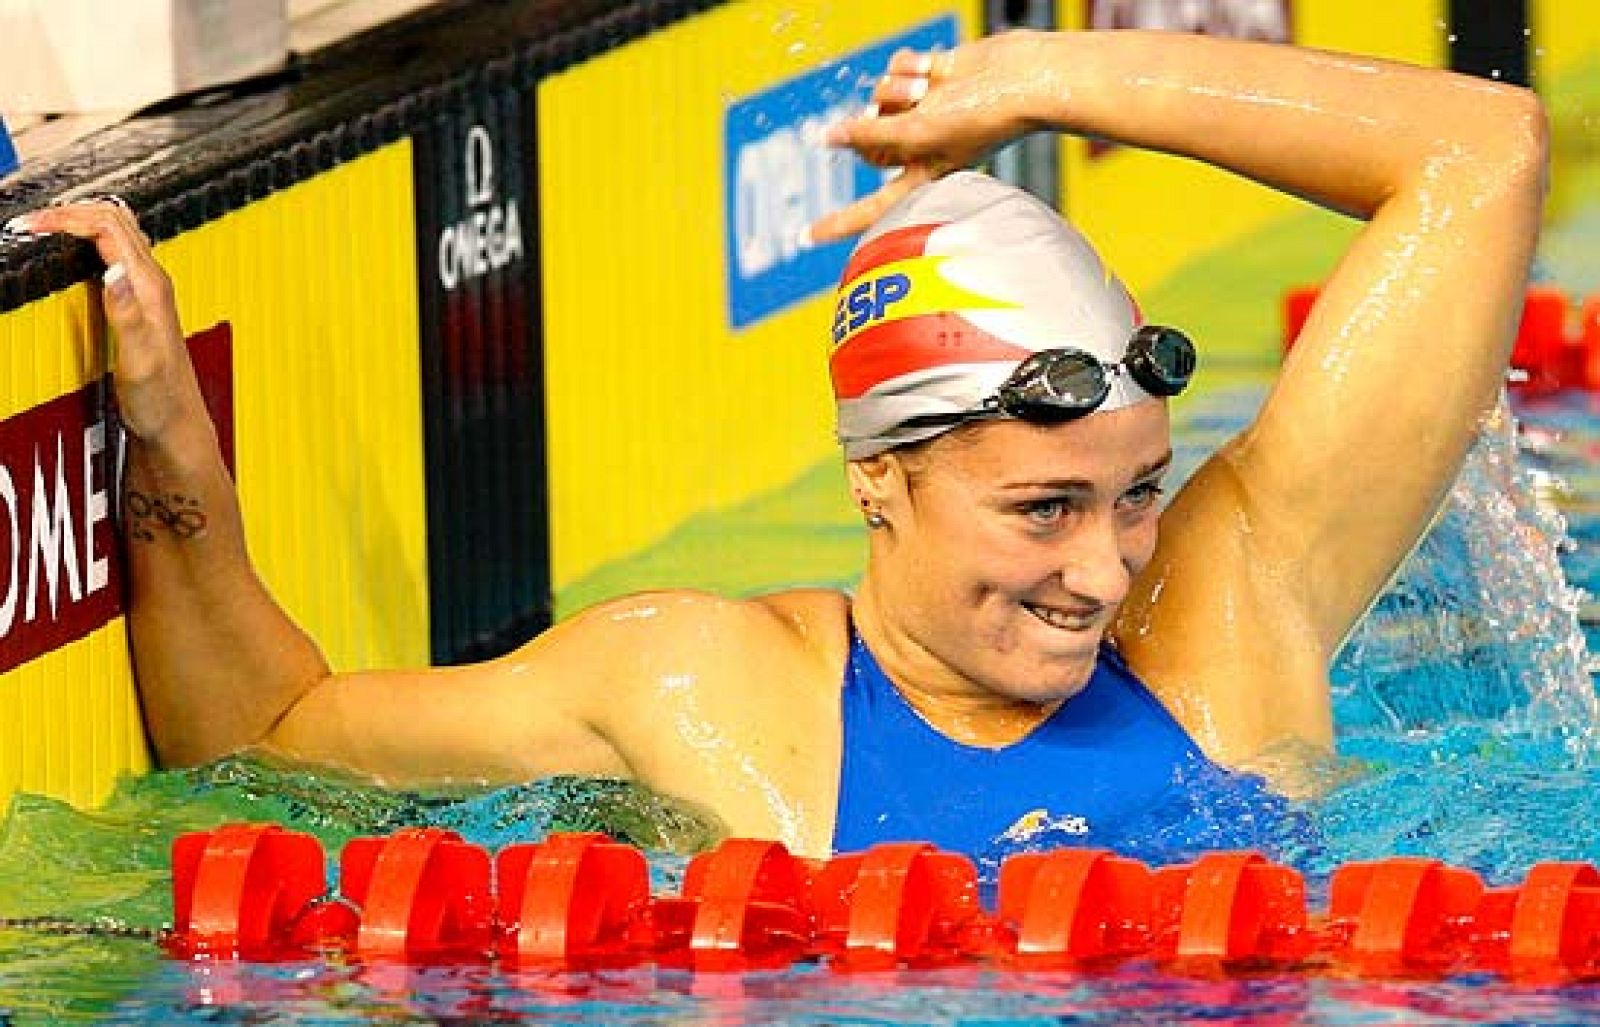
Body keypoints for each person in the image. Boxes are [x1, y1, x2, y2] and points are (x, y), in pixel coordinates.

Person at [10, 29, 1545, 863]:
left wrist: (1048, 81)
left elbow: (1481, 156)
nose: (1105, 567)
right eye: (1042, 509)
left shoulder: (1229, 620)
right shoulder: (698, 685)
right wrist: (170, 452)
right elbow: (262, 739)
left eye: (1138, 494)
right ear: (880, 475)